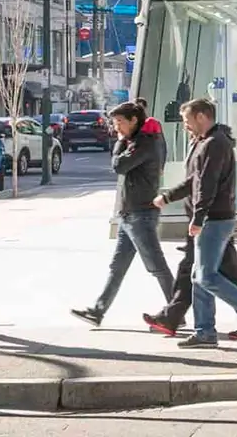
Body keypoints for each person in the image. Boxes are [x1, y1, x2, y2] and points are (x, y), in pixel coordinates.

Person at [165, 98, 237, 348]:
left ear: (202, 117)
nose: (186, 126)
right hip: (214, 218)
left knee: (206, 277)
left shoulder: (214, 144)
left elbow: (206, 184)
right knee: (198, 276)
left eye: (187, 120)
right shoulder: (208, 142)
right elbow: (196, 181)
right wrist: (169, 197)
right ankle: (205, 332)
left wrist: (199, 217)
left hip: (214, 219)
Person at [72, 100, 173, 326]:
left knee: (157, 266)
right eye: (114, 122)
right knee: (117, 267)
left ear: (134, 121)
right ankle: (98, 311)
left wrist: (119, 143)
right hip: (130, 214)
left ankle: (176, 312)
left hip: (141, 214)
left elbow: (119, 166)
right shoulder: (140, 140)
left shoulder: (144, 143)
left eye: (119, 122)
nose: (116, 127)